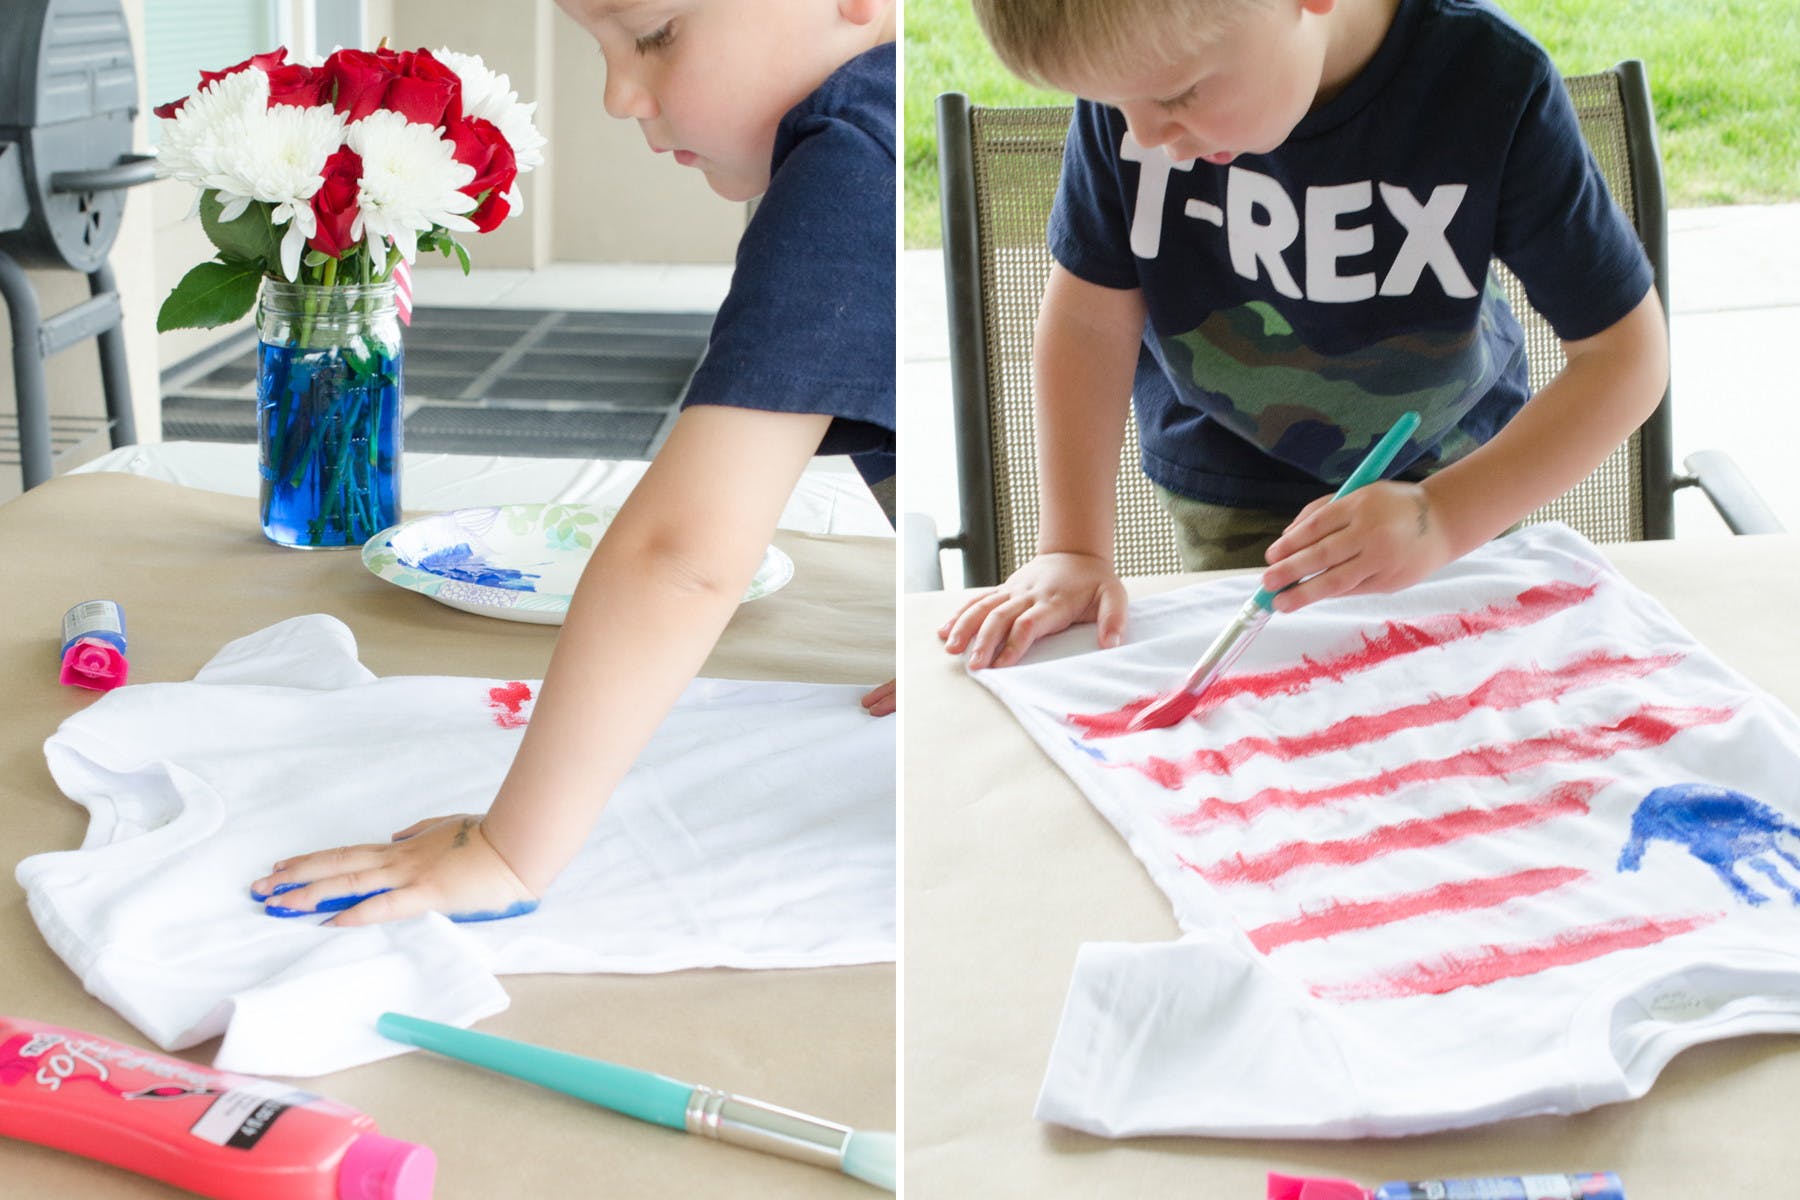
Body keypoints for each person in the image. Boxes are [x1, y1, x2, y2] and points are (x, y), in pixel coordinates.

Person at [252, 0, 897, 925]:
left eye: (657, 35)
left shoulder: (850, 161)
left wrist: (511, 850)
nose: (618, 95)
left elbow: (684, 554)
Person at [940, 0, 1667, 670]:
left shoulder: (1490, 82)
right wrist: (1072, 546)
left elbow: (1625, 358)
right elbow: (1091, 320)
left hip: (1454, 485)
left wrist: (1441, 518)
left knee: (1456, 709)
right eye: (1112, 102)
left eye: (1175, 95)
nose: (1144, 137)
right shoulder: (1145, 83)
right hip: (1236, 495)